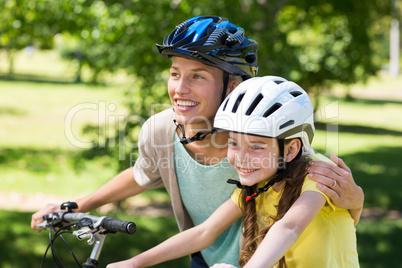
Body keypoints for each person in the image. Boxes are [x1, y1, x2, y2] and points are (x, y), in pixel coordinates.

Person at [31, 16, 363, 267]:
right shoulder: (163, 129)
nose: (180, 88)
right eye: (175, 73)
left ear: (233, 86)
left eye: (198, 76)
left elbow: (303, 207)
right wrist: (77, 206)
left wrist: (356, 198)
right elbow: (144, 175)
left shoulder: (272, 136)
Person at [106, 76, 359, 268]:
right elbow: (204, 232)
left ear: (292, 149)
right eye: (233, 143)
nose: (241, 157)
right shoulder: (259, 184)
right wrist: (134, 263)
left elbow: (289, 227)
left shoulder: (318, 174)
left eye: (257, 146)